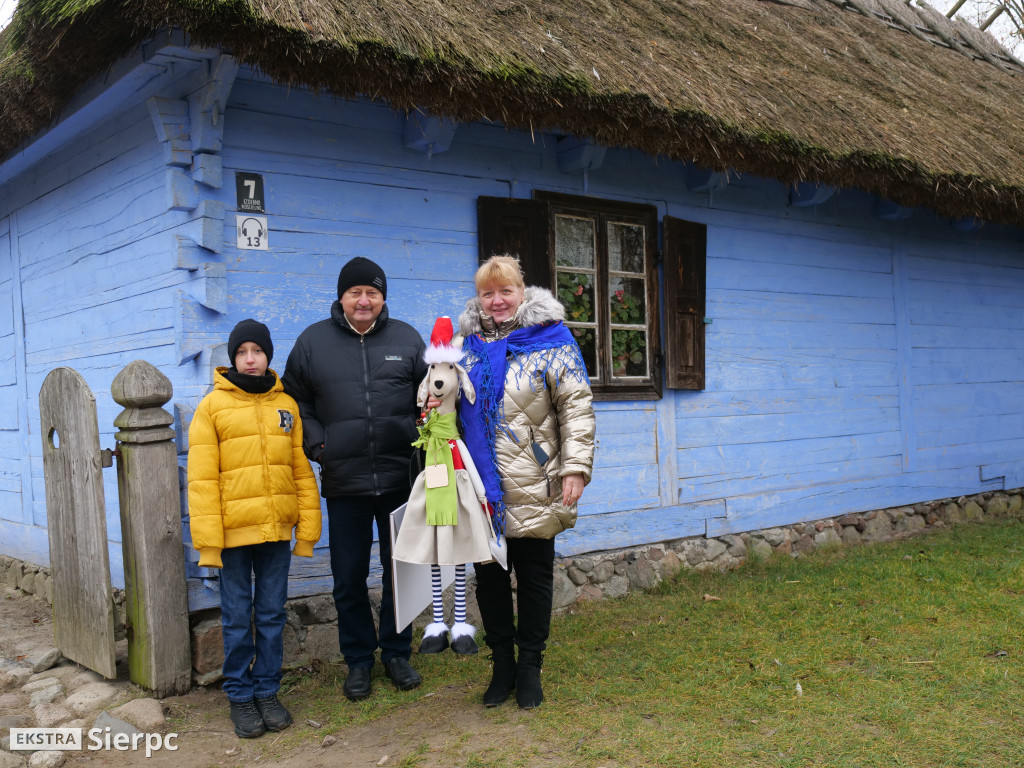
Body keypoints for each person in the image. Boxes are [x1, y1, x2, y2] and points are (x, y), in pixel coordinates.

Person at [282, 257, 427, 701]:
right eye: (355, 292)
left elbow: (432, 396)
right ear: (341, 297)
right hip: (345, 482)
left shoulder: (407, 339)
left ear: (383, 297)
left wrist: (421, 441)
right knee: (348, 577)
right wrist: (319, 446)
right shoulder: (312, 343)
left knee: (401, 571)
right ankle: (359, 661)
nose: (363, 301)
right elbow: (294, 400)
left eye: (372, 292)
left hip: (401, 477)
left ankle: (397, 653)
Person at [457, 255, 595, 709]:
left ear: (522, 291)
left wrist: (575, 467)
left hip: (537, 479)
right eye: (487, 293)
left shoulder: (551, 341)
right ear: (479, 298)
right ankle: (502, 666)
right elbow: (442, 407)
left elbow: (575, 407)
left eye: (505, 291)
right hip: (481, 485)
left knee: (534, 577)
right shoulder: (463, 347)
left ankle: (531, 666)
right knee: (490, 578)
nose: (496, 301)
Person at [187, 319, 322, 739]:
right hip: (232, 537)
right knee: (235, 618)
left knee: (269, 614)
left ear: (268, 356)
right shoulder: (212, 407)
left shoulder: (287, 405)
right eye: (242, 352)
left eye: (257, 351)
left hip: (276, 532)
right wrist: (208, 545)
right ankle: (240, 696)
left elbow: (299, 470)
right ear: (233, 358)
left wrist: (307, 531)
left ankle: (267, 690)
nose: (250, 359)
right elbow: (203, 480)